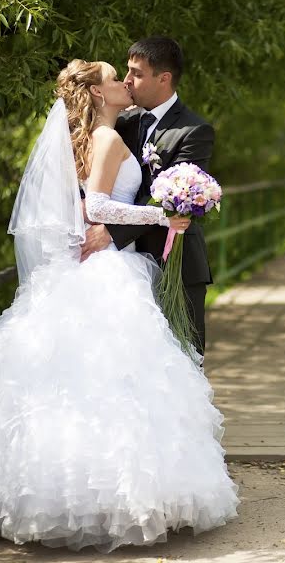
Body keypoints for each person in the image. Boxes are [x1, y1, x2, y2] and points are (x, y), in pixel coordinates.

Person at [0, 59, 240, 552]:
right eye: (115, 77)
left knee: (90, 380)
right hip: (113, 269)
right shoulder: (108, 137)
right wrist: (167, 212)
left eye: (130, 74)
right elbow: (97, 209)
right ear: (100, 93)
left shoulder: (96, 134)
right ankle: (115, 500)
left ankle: (62, 495)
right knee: (117, 381)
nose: (124, 82)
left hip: (106, 263)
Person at [80, 37, 212, 356]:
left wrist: (111, 231)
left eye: (136, 73)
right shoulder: (120, 122)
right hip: (122, 267)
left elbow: (172, 199)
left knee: (183, 360)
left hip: (173, 264)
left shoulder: (194, 131)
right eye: (126, 72)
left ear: (163, 78)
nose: (127, 81)